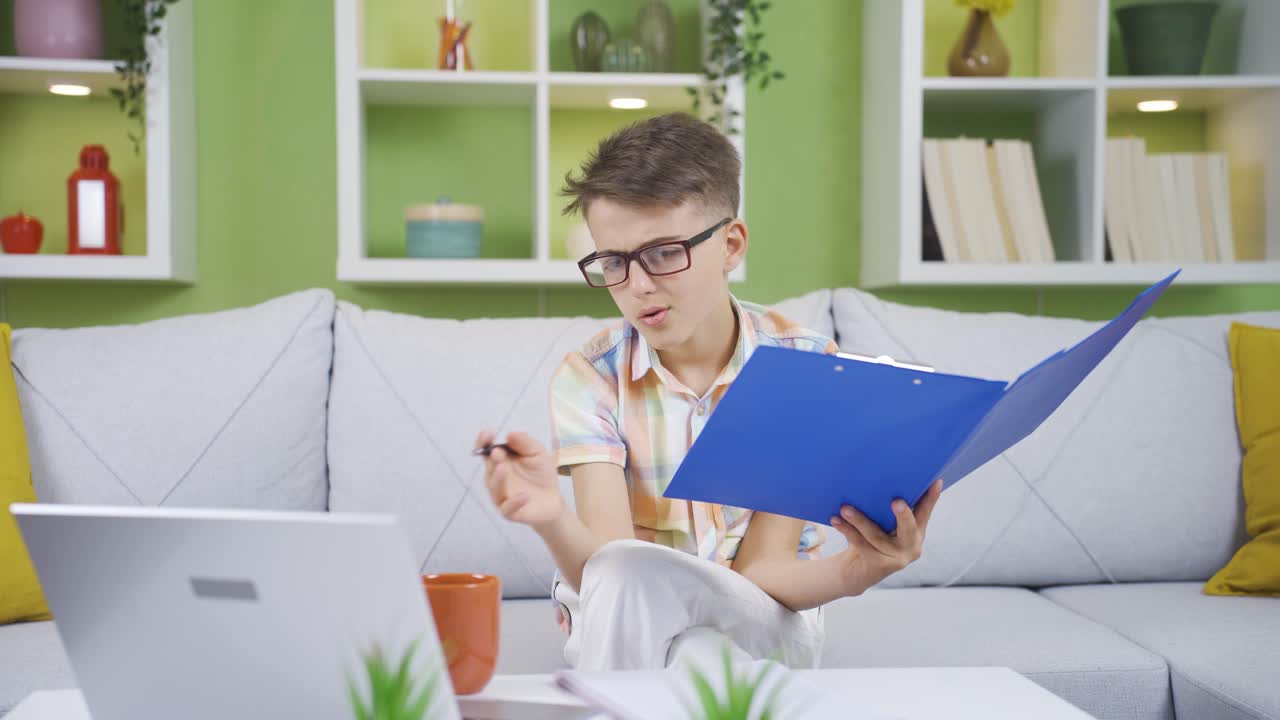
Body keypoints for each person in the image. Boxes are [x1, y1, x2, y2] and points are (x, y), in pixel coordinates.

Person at [475, 112, 941, 672]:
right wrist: (551, 516)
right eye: (613, 263)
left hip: (762, 614)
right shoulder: (591, 376)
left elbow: (764, 573)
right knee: (644, 594)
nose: (638, 285)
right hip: (627, 616)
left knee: (700, 647)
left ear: (732, 244)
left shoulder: (802, 367)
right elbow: (606, 572)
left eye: (665, 252)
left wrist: (863, 568)